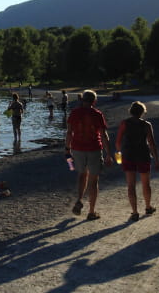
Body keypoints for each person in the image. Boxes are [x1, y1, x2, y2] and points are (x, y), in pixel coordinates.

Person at [65, 90, 113, 220]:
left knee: (81, 174)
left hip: (77, 148)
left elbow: (69, 132)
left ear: (82, 100)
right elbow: (103, 135)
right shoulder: (97, 114)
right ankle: (91, 211)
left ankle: (79, 199)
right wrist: (109, 154)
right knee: (93, 180)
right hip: (94, 149)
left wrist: (67, 149)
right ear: (94, 101)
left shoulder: (74, 113)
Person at [115, 101, 159, 221]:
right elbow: (152, 144)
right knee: (146, 183)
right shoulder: (146, 125)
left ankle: (134, 212)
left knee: (131, 185)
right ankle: (148, 206)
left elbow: (118, 141)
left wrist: (119, 153)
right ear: (142, 112)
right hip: (143, 155)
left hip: (128, 155)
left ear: (131, 111)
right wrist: (156, 160)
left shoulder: (124, 123)